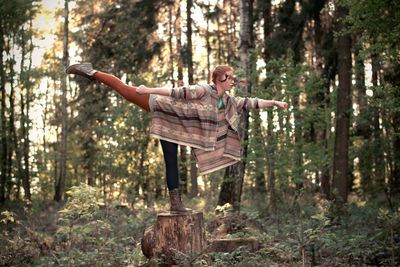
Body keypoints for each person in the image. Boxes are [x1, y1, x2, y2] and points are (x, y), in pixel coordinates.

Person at [65, 63, 287, 213]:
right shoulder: (203, 90)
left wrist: (275, 103)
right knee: (124, 89)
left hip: (174, 127)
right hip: (161, 107)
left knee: (171, 161)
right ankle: (90, 72)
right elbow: (177, 92)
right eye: (229, 78)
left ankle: (175, 204)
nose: (232, 81)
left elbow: (250, 102)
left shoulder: (227, 101)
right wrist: (146, 90)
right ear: (220, 79)